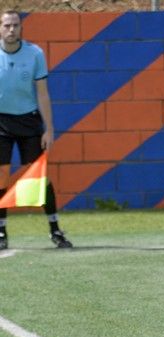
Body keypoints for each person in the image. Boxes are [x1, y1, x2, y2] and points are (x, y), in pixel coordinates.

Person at [0, 10, 72, 250]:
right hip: (1, 124)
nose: (11, 30)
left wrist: (48, 129)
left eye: (15, 25)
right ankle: (1, 232)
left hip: (30, 123)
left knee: (40, 179)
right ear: (0, 28)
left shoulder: (34, 54)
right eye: (7, 25)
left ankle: (55, 230)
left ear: (21, 28)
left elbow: (42, 93)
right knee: (1, 177)